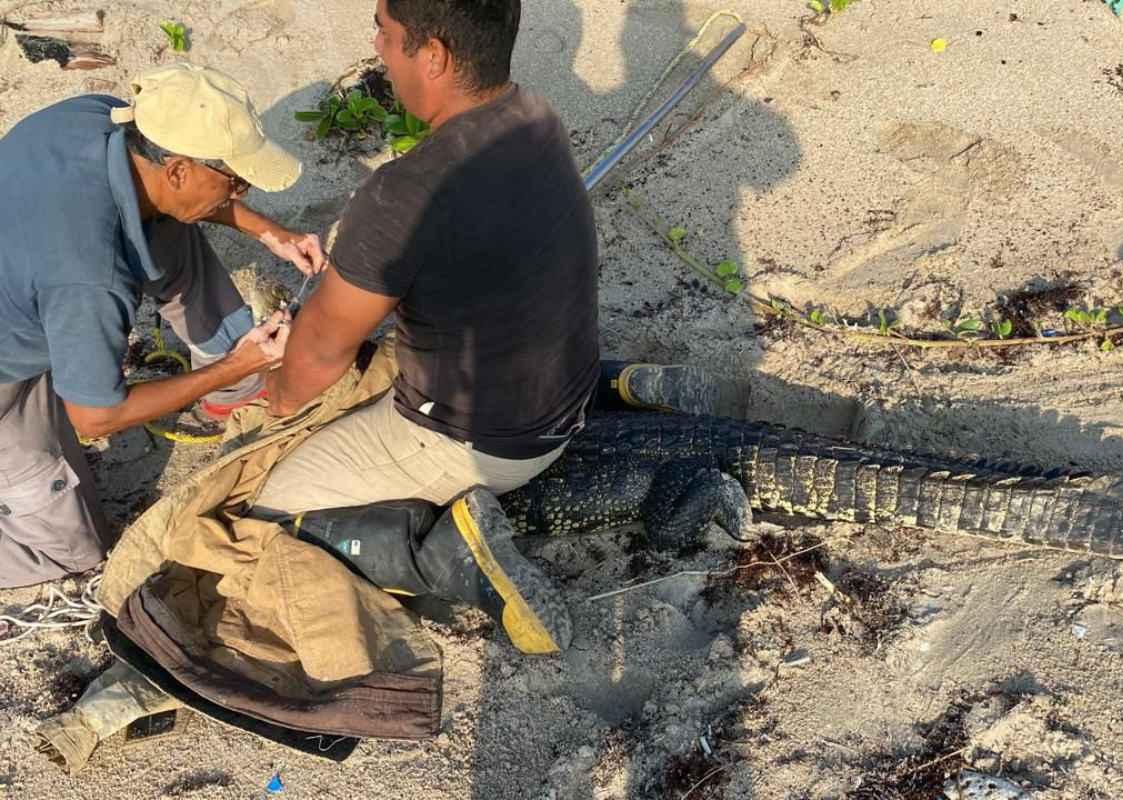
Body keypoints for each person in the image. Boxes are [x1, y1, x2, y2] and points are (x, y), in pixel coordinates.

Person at [254, 0, 717, 655]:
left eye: (385, 36)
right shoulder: (536, 115)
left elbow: (318, 357)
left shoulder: (401, 193)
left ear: (434, 56)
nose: (377, 50)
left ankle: (447, 556)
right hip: (566, 392)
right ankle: (622, 385)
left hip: (483, 443)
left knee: (273, 517)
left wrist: (274, 393)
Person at [0, 63, 324, 589]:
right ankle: (236, 375)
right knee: (74, 552)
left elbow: (182, 200)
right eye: (235, 180)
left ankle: (235, 388)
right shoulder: (92, 276)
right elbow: (96, 418)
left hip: (27, 284)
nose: (241, 193)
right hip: (10, 370)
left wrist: (272, 233)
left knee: (171, 227)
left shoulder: (99, 119)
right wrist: (232, 366)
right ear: (177, 169)